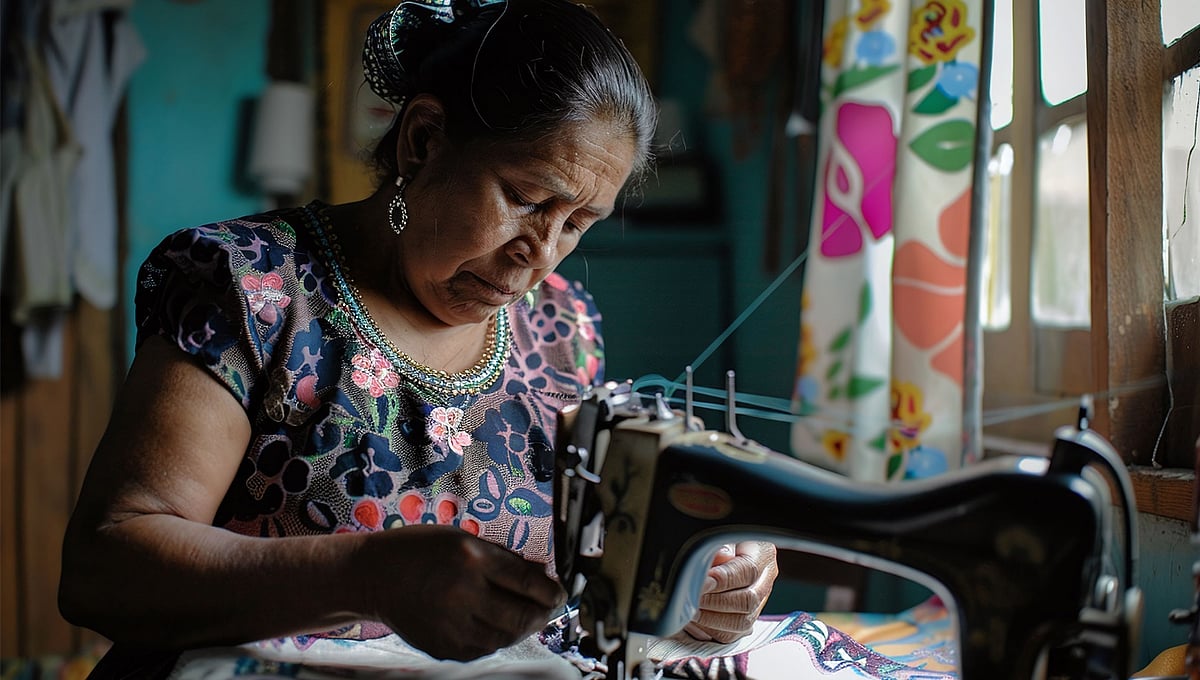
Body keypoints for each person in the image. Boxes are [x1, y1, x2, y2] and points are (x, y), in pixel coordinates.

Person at [58, 0, 778, 676]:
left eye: (579, 222)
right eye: (526, 200)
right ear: (423, 141)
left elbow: (586, 570)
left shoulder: (563, 327)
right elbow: (106, 567)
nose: (542, 254)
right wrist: (368, 577)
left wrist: (695, 572)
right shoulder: (250, 286)